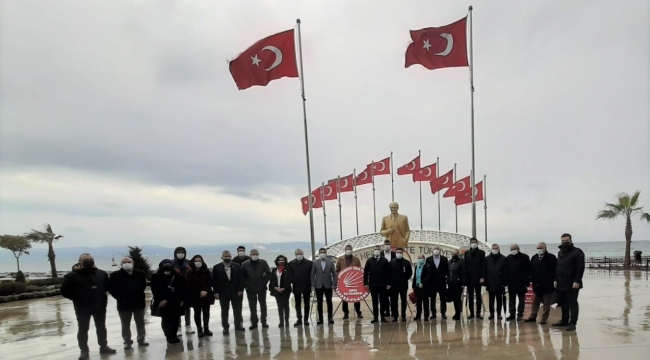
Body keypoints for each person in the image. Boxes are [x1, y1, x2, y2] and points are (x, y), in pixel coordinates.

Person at [61, 253, 116, 360]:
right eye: (85, 259)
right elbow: (64, 291)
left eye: (90, 258)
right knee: (83, 329)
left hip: (99, 306)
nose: (88, 260)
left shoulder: (101, 274)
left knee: (101, 327)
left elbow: (106, 287)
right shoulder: (71, 276)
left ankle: (103, 346)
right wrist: (77, 298)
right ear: (79, 261)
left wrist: (100, 296)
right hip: (82, 307)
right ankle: (84, 351)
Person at [108, 257, 148, 350]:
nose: (127, 263)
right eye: (124, 262)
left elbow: (143, 286)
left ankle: (141, 339)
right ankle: (127, 341)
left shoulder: (140, 274)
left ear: (133, 263)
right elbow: (111, 289)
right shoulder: (115, 275)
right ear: (121, 264)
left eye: (129, 262)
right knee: (125, 324)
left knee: (140, 322)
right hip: (123, 304)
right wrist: (119, 297)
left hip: (138, 302)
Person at [553, 233, 585, 331]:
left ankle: (573, 323)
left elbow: (580, 268)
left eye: (566, 241)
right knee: (563, 303)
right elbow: (558, 267)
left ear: (571, 240)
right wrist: (555, 279)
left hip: (572, 282)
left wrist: (577, 281)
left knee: (572, 303)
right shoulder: (560, 252)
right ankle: (564, 321)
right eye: (563, 241)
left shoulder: (577, 252)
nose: (565, 242)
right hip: (561, 281)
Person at [151, 259, 186, 344]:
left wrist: (182, 299)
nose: (167, 267)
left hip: (175, 301)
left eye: (169, 265)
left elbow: (182, 288)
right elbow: (155, 290)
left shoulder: (177, 276)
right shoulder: (156, 276)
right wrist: (160, 299)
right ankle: (168, 336)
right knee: (166, 320)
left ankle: (174, 335)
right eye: (165, 265)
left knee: (175, 320)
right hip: (164, 302)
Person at [212, 251, 245, 334]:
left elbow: (241, 279)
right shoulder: (216, 267)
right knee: (224, 311)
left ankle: (238, 325)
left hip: (236, 292)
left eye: (229, 256)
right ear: (222, 257)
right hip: (223, 293)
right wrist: (215, 292)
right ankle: (225, 327)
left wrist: (240, 290)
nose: (227, 257)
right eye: (225, 256)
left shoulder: (237, 266)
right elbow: (214, 281)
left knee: (237, 310)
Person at [525, 242, 557, 324]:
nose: (539, 249)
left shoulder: (551, 257)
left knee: (546, 303)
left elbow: (555, 270)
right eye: (538, 248)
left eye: (541, 248)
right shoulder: (534, 258)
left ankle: (544, 318)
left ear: (545, 248)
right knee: (535, 302)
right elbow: (530, 269)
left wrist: (555, 280)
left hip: (547, 285)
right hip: (536, 285)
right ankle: (533, 316)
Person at [185, 255, 214, 337]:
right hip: (195, 296)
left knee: (206, 312)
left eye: (199, 261)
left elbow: (210, 282)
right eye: (196, 261)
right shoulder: (189, 272)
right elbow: (188, 285)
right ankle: (199, 329)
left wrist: (206, 291)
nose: (198, 262)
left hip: (206, 295)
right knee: (197, 312)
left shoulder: (206, 271)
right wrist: (198, 292)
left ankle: (206, 328)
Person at [242, 249, 271, 329]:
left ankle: (264, 321)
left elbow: (268, 273)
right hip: (250, 288)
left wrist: (264, 282)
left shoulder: (263, 263)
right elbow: (243, 277)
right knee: (252, 306)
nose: (255, 256)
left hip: (261, 287)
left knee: (263, 305)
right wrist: (246, 286)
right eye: (253, 254)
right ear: (250, 255)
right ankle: (254, 322)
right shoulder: (245, 264)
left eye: (256, 254)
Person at [364, 245, 391, 323]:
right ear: (373, 251)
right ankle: (375, 317)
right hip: (373, 284)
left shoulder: (384, 260)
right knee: (374, 301)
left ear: (380, 251)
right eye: (375, 249)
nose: (377, 251)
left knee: (383, 301)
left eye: (378, 249)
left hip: (382, 284)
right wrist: (366, 283)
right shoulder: (369, 261)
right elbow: (365, 273)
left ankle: (382, 316)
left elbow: (388, 273)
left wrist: (388, 283)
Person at [335, 245, 363, 319]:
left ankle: (358, 312)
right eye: (347, 249)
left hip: (354, 282)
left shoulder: (356, 259)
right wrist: (339, 276)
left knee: (356, 298)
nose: (348, 250)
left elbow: (359, 270)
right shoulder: (340, 259)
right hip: (344, 283)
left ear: (352, 250)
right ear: (345, 250)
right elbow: (337, 270)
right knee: (344, 298)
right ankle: (345, 313)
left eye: (349, 249)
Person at [311, 248, 337, 325]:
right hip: (318, 285)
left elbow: (334, 275)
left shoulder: (331, 262)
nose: (322, 253)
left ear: (326, 253)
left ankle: (330, 318)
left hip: (328, 285)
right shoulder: (315, 263)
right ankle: (320, 319)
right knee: (319, 302)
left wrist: (333, 284)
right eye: (321, 252)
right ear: (319, 254)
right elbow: (312, 275)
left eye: (324, 252)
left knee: (329, 302)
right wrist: (312, 285)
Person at [172, 246, 194, 335]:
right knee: (177, 309)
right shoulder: (172, 263)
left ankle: (188, 325)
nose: (180, 254)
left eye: (182, 252)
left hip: (187, 289)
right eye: (179, 252)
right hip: (175, 290)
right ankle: (178, 327)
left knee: (187, 308)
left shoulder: (188, 263)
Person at [505, 244, 530, 321]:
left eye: (514, 249)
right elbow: (506, 270)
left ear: (518, 249)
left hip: (521, 283)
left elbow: (528, 270)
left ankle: (520, 314)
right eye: (511, 249)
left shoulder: (525, 257)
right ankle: (512, 314)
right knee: (511, 300)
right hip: (511, 282)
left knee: (521, 300)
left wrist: (527, 283)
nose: (513, 251)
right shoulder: (508, 257)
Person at [288, 248, 313, 326]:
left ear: (303, 254)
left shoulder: (309, 263)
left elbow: (312, 275)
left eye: (300, 254)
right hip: (296, 286)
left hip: (306, 285)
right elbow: (289, 275)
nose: (299, 255)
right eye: (298, 254)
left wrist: (312, 285)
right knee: (297, 304)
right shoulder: (291, 264)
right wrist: (290, 285)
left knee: (307, 303)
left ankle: (306, 319)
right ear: (295, 255)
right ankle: (299, 319)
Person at [464, 237, 486, 319]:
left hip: (478, 278)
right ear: (470, 243)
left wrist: (482, 277)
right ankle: (471, 313)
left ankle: (478, 313)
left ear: (477, 243)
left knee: (478, 295)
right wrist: (465, 278)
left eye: (475, 242)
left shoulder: (481, 253)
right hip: (469, 278)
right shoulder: (466, 253)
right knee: (470, 296)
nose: (473, 243)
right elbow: (465, 266)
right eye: (472, 242)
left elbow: (483, 265)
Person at [484, 244, 508, 320]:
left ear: (499, 249)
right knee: (491, 299)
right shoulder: (487, 259)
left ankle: (499, 314)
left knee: (499, 299)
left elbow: (505, 271)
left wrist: (505, 283)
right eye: (493, 248)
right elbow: (484, 270)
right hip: (490, 282)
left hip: (500, 282)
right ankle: (491, 313)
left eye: (496, 248)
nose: (494, 249)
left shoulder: (503, 258)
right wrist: (485, 282)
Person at [389, 248, 412, 322]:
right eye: (398, 252)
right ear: (395, 253)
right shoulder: (391, 262)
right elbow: (388, 273)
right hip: (394, 285)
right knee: (394, 301)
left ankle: (403, 315)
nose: (399, 253)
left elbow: (410, 273)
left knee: (403, 301)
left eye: (400, 252)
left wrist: (404, 279)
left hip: (403, 285)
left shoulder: (406, 262)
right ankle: (395, 316)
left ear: (402, 253)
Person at [426, 245, 449, 319]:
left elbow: (447, 270)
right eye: (434, 249)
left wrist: (446, 278)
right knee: (432, 298)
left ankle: (443, 312)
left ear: (440, 250)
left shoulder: (444, 259)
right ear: (432, 250)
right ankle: (433, 313)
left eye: (437, 249)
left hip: (442, 282)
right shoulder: (428, 259)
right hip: (432, 283)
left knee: (443, 298)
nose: (436, 250)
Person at [269, 255, 292, 328]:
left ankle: (287, 321)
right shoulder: (274, 270)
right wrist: (275, 287)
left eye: (282, 260)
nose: (281, 261)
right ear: (277, 261)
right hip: (277, 291)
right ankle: (281, 321)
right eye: (279, 260)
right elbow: (272, 280)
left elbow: (290, 279)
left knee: (286, 306)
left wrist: (284, 287)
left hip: (285, 290)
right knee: (279, 306)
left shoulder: (288, 269)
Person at [380, 239, 396, 318]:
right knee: (384, 297)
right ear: (383, 246)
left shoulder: (394, 254)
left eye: (388, 244)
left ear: (390, 245)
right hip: (383, 279)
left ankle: (393, 311)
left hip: (393, 279)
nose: (387, 246)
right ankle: (386, 311)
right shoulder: (380, 254)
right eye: (385, 244)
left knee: (393, 297)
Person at [447, 249, 465, 320]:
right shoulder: (449, 262)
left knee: (457, 299)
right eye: (453, 253)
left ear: (458, 254)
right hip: (451, 283)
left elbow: (464, 273)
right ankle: (456, 312)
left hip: (458, 283)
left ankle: (458, 313)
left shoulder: (461, 262)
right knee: (454, 299)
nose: (454, 255)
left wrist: (463, 282)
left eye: (456, 253)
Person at [412, 254, 430, 321]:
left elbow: (428, 277)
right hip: (417, 287)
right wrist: (413, 286)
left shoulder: (427, 266)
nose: (419, 259)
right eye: (418, 258)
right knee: (418, 302)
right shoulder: (417, 266)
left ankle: (426, 316)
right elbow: (415, 276)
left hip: (424, 287)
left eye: (421, 258)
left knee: (425, 302)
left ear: (424, 258)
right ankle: (418, 315)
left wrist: (423, 283)